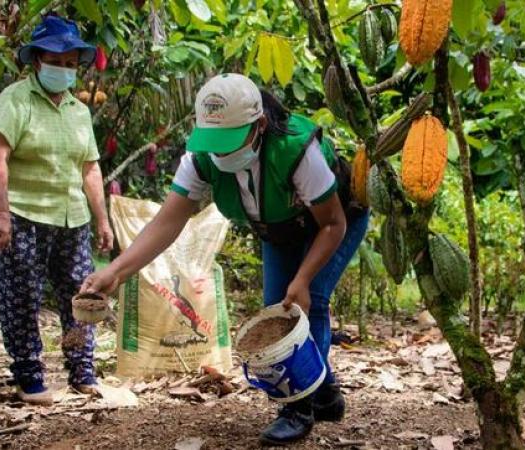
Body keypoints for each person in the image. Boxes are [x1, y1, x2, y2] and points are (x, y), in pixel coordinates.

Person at [81, 73, 370, 445]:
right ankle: (326, 395)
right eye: (214, 142)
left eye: (230, 141)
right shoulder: (202, 160)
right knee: (275, 306)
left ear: (259, 126)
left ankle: (298, 408)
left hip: (336, 220)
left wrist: (302, 280)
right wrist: (116, 271)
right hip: (280, 228)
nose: (221, 153)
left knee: (303, 303)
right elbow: (168, 222)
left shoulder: (295, 151)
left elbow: (332, 224)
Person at [0, 14, 114, 405]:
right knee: (21, 296)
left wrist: (102, 220)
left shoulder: (78, 110)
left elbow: (90, 167)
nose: (63, 69)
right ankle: (29, 377)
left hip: (71, 217)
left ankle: (82, 371)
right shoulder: (15, 99)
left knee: (82, 294)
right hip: (21, 216)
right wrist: (0, 213)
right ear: (37, 61)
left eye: (70, 63)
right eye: (55, 61)